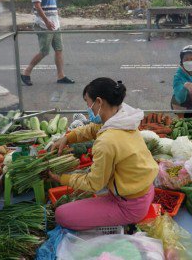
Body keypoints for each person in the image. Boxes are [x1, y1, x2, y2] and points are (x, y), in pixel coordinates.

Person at [47, 77, 158, 230]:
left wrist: (62, 178)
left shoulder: (107, 141)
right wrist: (68, 137)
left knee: (61, 214)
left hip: (130, 206)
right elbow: (93, 128)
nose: (88, 108)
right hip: (143, 191)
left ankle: (125, 218)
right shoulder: (122, 117)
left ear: (99, 102)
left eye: (88, 103)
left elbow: (95, 183)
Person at [21, 0, 74, 86]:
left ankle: (61, 76)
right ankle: (26, 72)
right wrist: (47, 21)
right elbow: (37, 6)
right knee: (44, 51)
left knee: (59, 49)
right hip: (44, 24)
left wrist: (55, 18)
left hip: (55, 23)